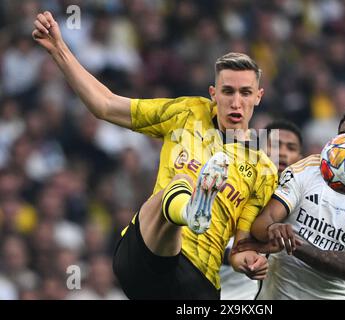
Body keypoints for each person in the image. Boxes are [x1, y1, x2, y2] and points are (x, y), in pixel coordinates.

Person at [32, 11, 278, 300]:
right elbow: (106, 105)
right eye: (228, 91)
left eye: (245, 93)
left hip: (196, 283)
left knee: (186, 180)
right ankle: (189, 211)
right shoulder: (187, 113)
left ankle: (191, 207)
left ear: (258, 96)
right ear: (213, 93)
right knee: (184, 178)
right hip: (145, 255)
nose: (236, 102)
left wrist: (248, 262)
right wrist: (59, 48)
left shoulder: (263, 171)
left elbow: (241, 247)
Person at [234, 107, 345, 300]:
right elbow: (264, 222)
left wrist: (292, 243)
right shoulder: (307, 168)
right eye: (344, 137)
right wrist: (273, 228)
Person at [220, 120, 303, 299]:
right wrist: (236, 254)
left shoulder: (301, 208)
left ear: (300, 159)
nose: (282, 152)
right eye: (275, 145)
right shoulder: (231, 186)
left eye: (291, 148)